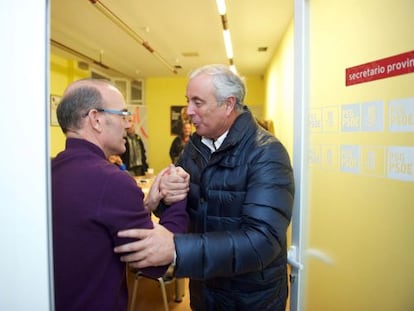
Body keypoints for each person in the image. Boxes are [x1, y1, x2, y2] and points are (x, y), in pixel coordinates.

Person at [114, 64, 295, 311]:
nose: (188, 111)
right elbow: (185, 211)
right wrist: (166, 196)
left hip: (249, 299)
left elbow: (262, 242)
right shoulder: (196, 147)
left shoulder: (266, 153)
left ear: (228, 104)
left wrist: (176, 249)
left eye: (198, 102)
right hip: (205, 291)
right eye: (188, 101)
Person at [52, 78, 190, 311]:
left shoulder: (50, 171)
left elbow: (92, 226)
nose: (128, 125)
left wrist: (147, 205)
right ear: (96, 119)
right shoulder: (112, 181)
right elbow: (156, 264)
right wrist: (177, 197)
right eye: (123, 115)